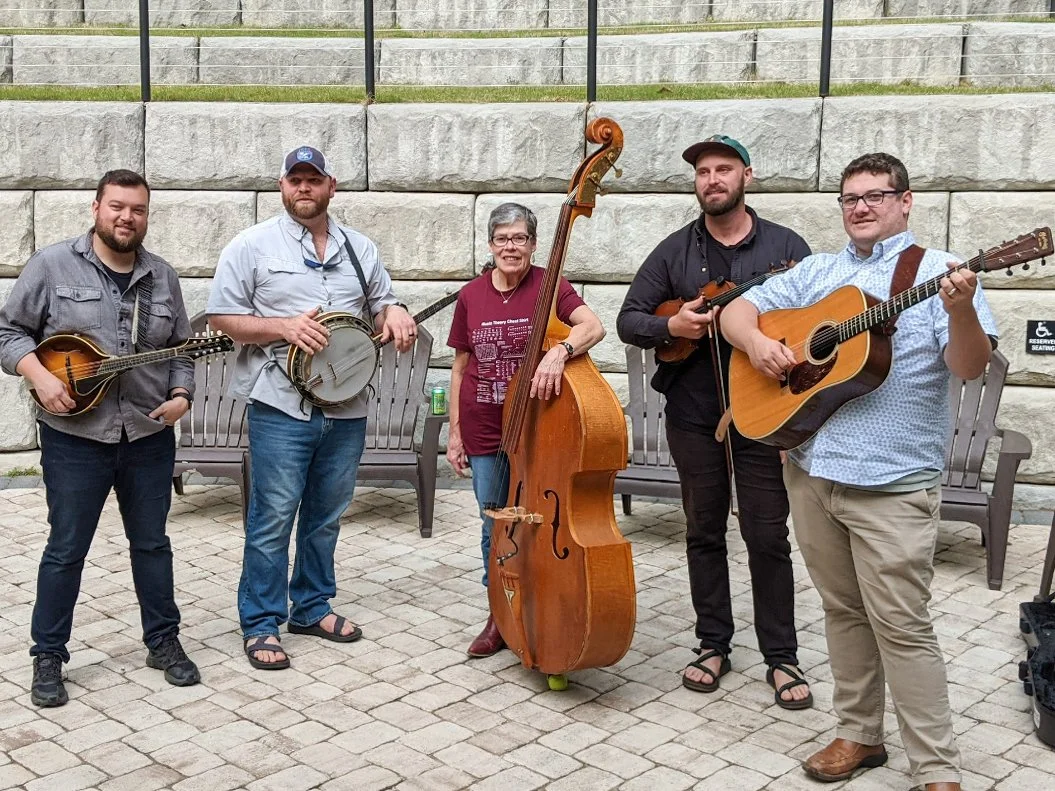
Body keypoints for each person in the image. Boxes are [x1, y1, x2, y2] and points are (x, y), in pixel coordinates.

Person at [721, 152, 997, 791]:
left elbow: (969, 367)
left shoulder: (940, 274)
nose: (862, 207)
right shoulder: (820, 272)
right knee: (842, 611)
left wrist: (960, 310)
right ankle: (859, 734)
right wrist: (759, 343)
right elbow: (739, 311)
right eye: (850, 198)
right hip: (814, 475)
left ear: (905, 201)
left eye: (876, 195)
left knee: (903, 626)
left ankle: (936, 768)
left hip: (893, 485)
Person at [616, 135, 814, 709]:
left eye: (723, 169)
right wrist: (671, 327)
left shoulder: (786, 247)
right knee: (703, 529)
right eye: (703, 171)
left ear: (747, 176)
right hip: (694, 413)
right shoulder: (674, 252)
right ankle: (713, 642)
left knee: (766, 535)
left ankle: (782, 656)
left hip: (766, 414)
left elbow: (816, 315)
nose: (712, 179)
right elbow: (630, 319)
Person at [207, 145, 417, 670]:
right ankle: (260, 621)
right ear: (282, 186)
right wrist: (282, 326)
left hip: (347, 405)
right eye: (295, 180)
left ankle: (312, 606)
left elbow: (383, 301)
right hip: (280, 405)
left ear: (331, 186)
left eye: (313, 179)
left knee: (325, 516)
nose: (304, 188)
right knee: (274, 516)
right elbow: (221, 316)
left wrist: (397, 314)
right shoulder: (251, 245)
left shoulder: (359, 248)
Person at [0, 170, 200, 707]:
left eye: (137, 209)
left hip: (148, 434)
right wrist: (39, 375)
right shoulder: (52, 265)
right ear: (96, 208)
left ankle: (163, 640)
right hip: (74, 436)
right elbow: (7, 332)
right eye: (116, 207)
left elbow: (182, 347)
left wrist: (182, 396)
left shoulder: (163, 277)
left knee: (153, 544)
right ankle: (48, 655)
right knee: (66, 548)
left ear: (146, 215)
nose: (126, 218)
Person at [446, 202, 606, 658]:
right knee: (494, 525)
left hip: (537, 432)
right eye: (502, 239)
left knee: (539, 522)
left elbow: (592, 327)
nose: (510, 247)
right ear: (490, 244)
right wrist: (455, 432)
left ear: (534, 245)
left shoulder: (550, 286)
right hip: (484, 430)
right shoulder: (470, 296)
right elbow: (460, 368)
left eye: (519, 238)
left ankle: (547, 604)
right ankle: (500, 613)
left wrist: (560, 353)